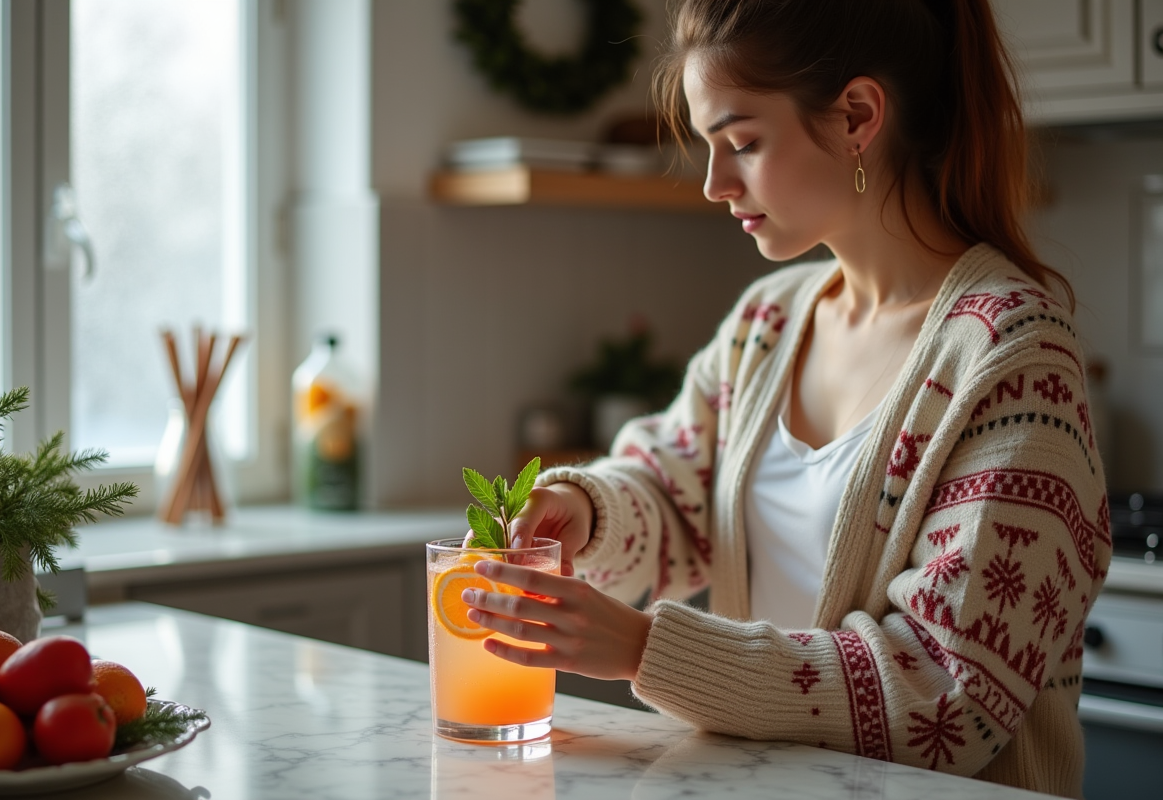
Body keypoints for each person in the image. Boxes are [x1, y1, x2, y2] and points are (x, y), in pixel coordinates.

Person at [460, 1, 1111, 796]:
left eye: (742, 142)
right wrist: (585, 508)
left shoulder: (1012, 351)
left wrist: (643, 650)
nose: (713, 183)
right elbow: (675, 490)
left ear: (857, 117)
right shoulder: (768, 321)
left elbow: (945, 694)